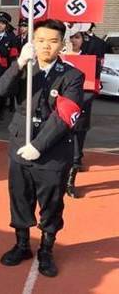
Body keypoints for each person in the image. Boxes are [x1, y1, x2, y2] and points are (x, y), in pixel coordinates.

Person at [0, 19, 84, 278]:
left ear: (62, 44)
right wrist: (19, 64)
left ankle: (46, 249)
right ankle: (22, 245)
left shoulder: (72, 75)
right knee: (20, 197)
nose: (46, 46)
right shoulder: (25, 68)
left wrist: (38, 146)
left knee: (52, 202)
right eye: (41, 40)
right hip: (19, 144)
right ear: (32, 41)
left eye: (53, 41)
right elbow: (0, 91)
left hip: (52, 151)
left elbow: (65, 116)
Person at [64, 31, 98, 198]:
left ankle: (70, 182)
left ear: (82, 40)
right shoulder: (60, 59)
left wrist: (77, 102)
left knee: (76, 149)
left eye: (76, 37)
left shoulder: (90, 60)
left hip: (80, 109)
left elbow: (94, 87)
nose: (73, 41)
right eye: (70, 37)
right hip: (60, 110)